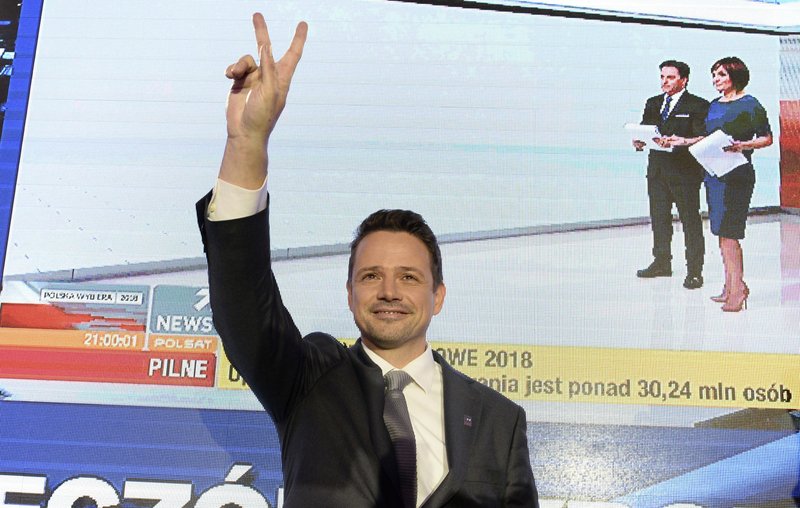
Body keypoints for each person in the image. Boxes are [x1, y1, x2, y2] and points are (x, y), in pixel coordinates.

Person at [195, 13, 539, 507]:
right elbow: (243, 300)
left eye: (409, 277)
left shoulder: (498, 420)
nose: (390, 291)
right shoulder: (308, 379)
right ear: (350, 292)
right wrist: (247, 143)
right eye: (372, 275)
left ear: (437, 296)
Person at [666, 57, 772, 312]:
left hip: (737, 174)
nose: (716, 79)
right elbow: (708, 137)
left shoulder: (750, 104)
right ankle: (731, 285)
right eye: (714, 75)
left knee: (730, 234)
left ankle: (738, 291)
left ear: (735, 75)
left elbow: (767, 138)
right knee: (720, 233)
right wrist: (682, 140)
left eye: (721, 75)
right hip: (715, 174)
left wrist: (742, 145)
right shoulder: (714, 105)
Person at [633, 60, 709, 289]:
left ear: (683, 80)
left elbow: (702, 136)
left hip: (685, 171)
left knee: (690, 220)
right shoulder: (653, 103)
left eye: (670, 77)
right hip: (657, 170)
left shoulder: (698, 105)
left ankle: (695, 271)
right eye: (662, 77)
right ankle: (661, 262)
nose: (664, 81)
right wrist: (639, 141)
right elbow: (646, 130)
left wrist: (681, 142)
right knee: (659, 218)